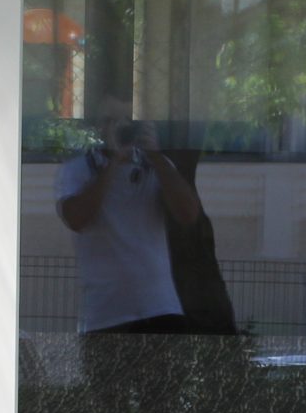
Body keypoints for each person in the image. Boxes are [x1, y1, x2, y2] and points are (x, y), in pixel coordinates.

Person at [55, 96, 201, 335]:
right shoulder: (79, 169)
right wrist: (114, 163)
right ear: (99, 127)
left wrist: (156, 156)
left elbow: (188, 215)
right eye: (111, 121)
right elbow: (77, 219)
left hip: (160, 309)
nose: (122, 127)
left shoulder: (157, 166)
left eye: (128, 121)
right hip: (106, 315)